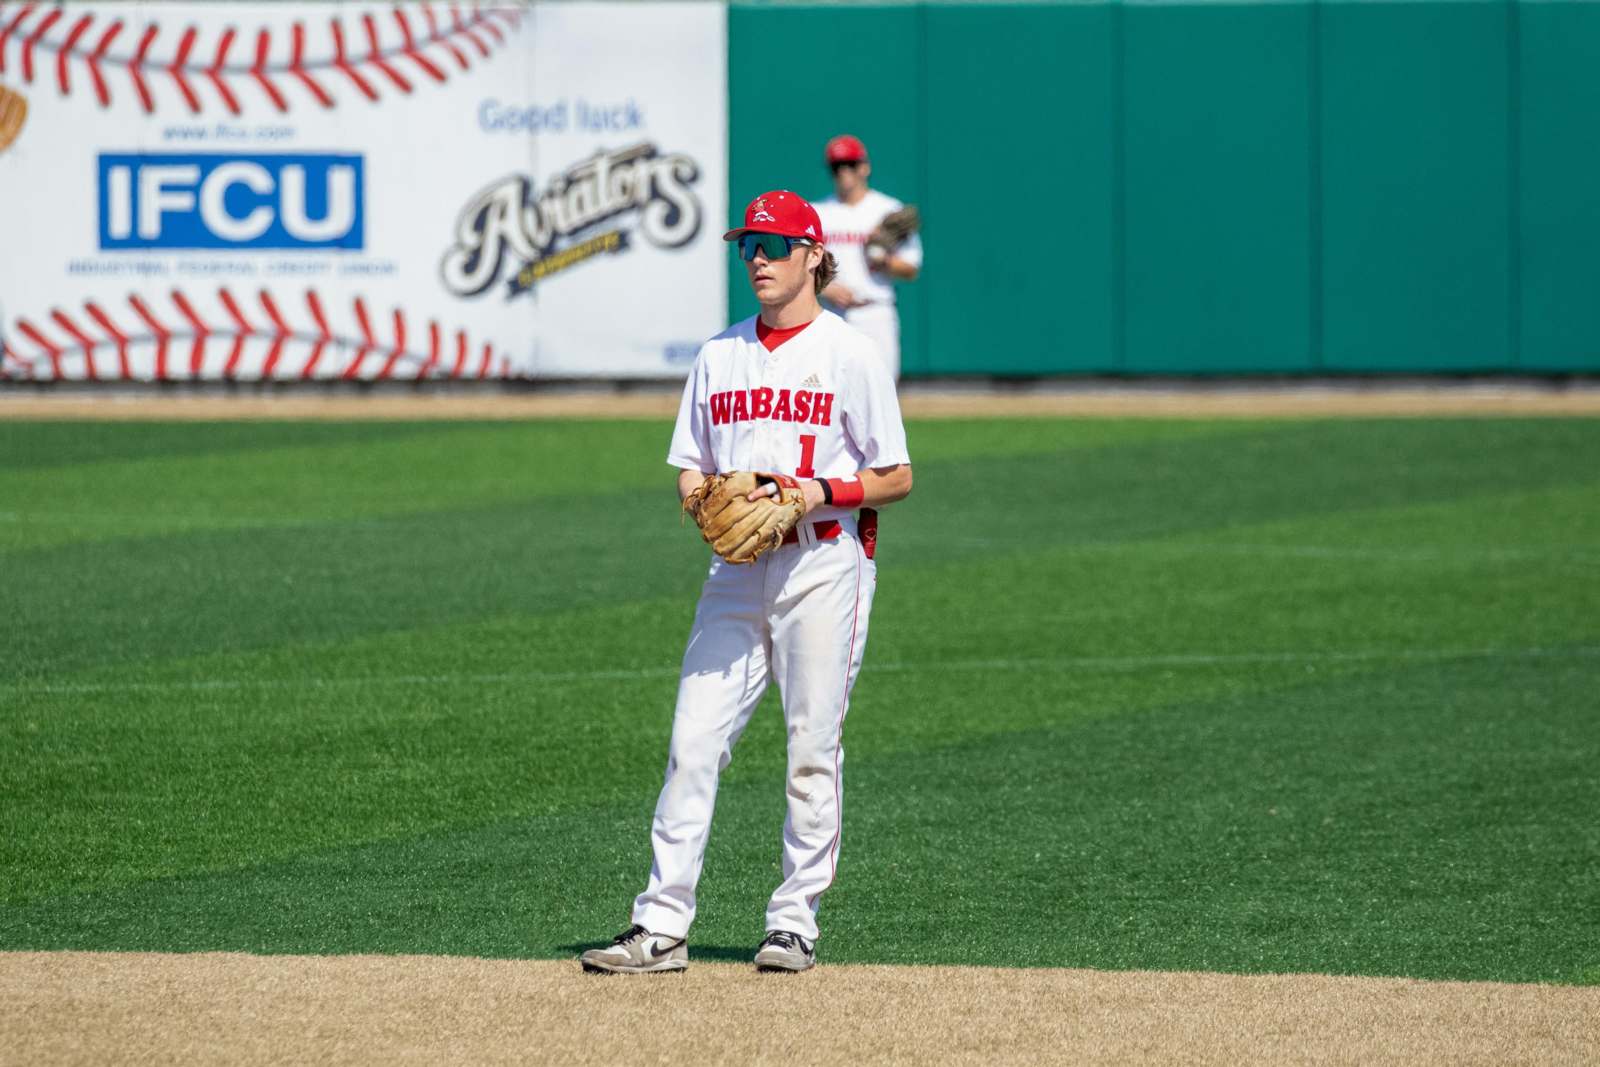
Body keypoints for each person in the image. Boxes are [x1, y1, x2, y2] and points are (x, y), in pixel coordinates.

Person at [580, 190, 913, 975]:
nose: (757, 259)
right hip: (734, 572)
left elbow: (896, 475)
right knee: (692, 742)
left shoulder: (850, 353)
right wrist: (703, 501)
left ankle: (793, 922)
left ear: (812, 255)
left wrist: (815, 491)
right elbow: (691, 464)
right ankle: (660, 924)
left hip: (822, 564)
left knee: (811, 747)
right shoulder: (718, 354)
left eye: (772, 245)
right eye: (747, 246)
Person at [813, 134, 923, 380]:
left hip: (875, 312)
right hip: (830, 313)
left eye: (850, 164)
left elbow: (911, 268)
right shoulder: (818, 212)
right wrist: (823, 287)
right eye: (836, 166)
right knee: (830, 392)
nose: (844, 172)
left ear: (865, 167)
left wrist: (884, 260)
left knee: (882, 390)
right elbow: (799, 266)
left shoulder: (886, 209)